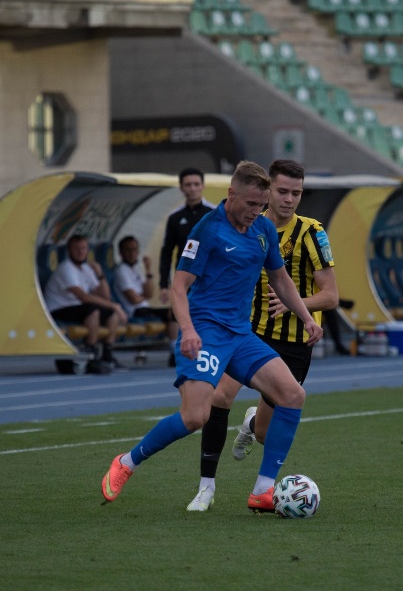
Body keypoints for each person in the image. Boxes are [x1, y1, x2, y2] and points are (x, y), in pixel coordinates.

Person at [100, 160, 323, 512]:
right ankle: (126, 462)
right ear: (231, 194)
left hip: (241, 335)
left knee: (293, 394)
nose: (256, 211)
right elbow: (179, 286)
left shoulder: (263, 229)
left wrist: (307, 317)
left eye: (261, 205)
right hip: (205, 333)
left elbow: (280, 279)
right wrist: (188, 330)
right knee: (195, 417)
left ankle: (263, 490)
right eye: (251, 203)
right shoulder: (208, 230)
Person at [187, 159, 339, 512]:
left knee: (264, 434)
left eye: (296, 193)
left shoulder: (311, 233)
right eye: (282, 191)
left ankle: (253, 423)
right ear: (268, 190)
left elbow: (331, 295)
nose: (289, 199)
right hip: (249, 333)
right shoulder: (248, 225)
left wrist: (296, 305)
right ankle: (206, 488)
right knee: (219, 396)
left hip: (294, 343)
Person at [44, 234, 128, 369]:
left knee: (111, 314)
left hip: (77, 308)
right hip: (58, 309)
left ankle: (107, 354)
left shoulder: (86, 269)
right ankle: (91, 355)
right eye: (77, 248)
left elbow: (104, 296)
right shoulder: (66, 268)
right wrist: (115, 306)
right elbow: (83, 297)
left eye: (83, 248)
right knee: (93, 312)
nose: (81, 252)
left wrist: (100, 274)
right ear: (69, 250)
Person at [159, 167, 215, 366]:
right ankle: (177, 350)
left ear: (203, 186)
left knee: (207, 313)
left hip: (210, 278)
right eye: (188, 185)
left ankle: (208, 351)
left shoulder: (214, 214)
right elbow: (167, 252)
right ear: (182, 188)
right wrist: (163, 284)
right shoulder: (175, 218)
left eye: (196, 184)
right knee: (178, 312)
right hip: (185, 277)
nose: (192, 188)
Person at [114, 235, 169, 325]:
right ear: (121, 252)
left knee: (174, 313)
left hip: (145, 308)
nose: (132, 253)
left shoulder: (136, 270)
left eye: (134, 250)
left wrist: (148, 270)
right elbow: (134, 299)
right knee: (172, 314)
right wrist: (145, 296)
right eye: (128, 250)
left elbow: (150, 293)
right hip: (135, 311)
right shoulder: (121, 270)